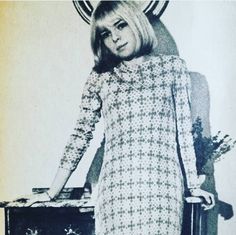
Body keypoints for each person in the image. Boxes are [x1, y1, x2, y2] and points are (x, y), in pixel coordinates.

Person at [17, 1, 215, 235]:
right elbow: (80, 136)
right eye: (106, 33)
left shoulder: (173, 68)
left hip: (162, 192)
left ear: (136, 22)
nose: (115, 38)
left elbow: (183, 133)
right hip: (116, 194)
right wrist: (52, 192)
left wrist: (193, 186)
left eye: (121, 26)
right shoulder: (100, 77)